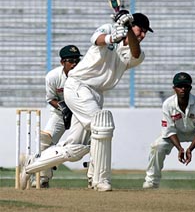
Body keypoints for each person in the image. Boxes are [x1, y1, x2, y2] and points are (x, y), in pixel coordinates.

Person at [20, 10, 153, 191]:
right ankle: (100, 180)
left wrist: (129, 29)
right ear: (132, 25)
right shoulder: (110, 29)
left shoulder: (137, 52)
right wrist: (111, 38)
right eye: (141, 30)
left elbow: (135, 53)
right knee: (102, 125)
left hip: (96, 94)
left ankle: (30, 165)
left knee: (75, 149)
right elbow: (97, 39)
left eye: (145, 32)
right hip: (78, 86)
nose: (143, 35)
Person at [31, 45, 83, 188]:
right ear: (62, 62)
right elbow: (50, 98)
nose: (74, 64)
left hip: (81, 115)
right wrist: (63, 108)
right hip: (60, 114)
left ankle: (94, 178)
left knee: (92, 142)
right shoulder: (53, 76)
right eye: (70, 61)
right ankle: (42, 178)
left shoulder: (85, 75)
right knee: (44, 141)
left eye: (77, 60)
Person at [143, 72, 195, 189]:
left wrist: (190, 149)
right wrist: (180, 148)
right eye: (179, 86)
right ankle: (152, 181)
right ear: (174, 88)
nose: (183, 89)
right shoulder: (168, 104)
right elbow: (169, 131)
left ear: (190, 87)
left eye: (186, 86)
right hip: (176, 134)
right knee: (157, 146)